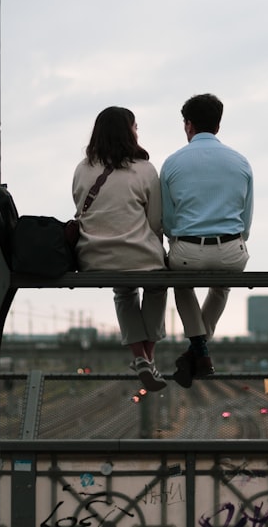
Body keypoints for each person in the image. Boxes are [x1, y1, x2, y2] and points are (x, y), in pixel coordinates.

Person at [160, 93, 253, 388]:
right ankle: (194, 354)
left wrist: (179, 241)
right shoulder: (241, 162)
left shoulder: (172, 163)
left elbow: (168, 222)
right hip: (232, 250)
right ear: (218, 126)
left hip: (188, 250)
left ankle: (199, 350)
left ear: (188, 125)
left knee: (180, 279)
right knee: (222, 283)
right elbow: (246, 220)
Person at [73, 106, 168, 391]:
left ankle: (140, 358)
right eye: (135, 127)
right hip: (140, 256)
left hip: (92, 257)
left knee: (123, 290)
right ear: (129, 132)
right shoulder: (145, 169)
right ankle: (147, 357)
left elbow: (80, 210)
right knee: (157, 285)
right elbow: (155, 222)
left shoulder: (82, 169)